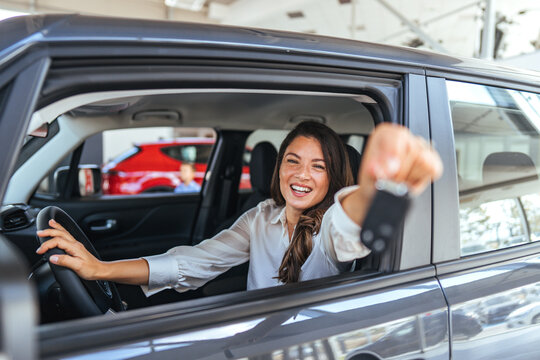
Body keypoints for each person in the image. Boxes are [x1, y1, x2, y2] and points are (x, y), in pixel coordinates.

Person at [36, 122, 442, 294]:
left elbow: (348, 226)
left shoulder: (330, 225)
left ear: (334, 176)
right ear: (278, 165)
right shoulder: (261, 216)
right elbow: (192, 263)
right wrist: (100, 269)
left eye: (319, 166)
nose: (302, 175)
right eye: (292, 160)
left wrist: (372, 188)